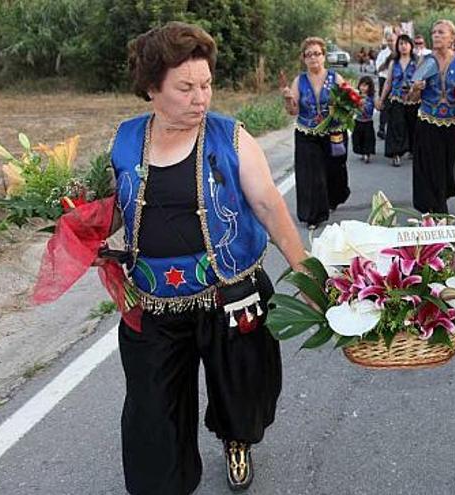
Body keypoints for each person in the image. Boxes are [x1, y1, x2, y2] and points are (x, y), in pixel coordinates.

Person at [110, 21, 308, 494]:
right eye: (186, 88)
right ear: (152, 88)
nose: (201, 98)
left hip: (231, 296)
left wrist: (306, 271)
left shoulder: (230, 137)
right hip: (151, 304)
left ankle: (236, 439)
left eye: (206, 85)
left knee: (242, 394)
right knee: (152, 416)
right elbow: (116, 208)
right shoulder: (124, 139)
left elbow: (268, 205)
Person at [282, 36, 351, 230]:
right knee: (311, 175)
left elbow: (349, 101)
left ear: (324, 56)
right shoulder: (300, 81)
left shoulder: (335, 78)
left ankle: (334, 197)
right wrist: (288, 99)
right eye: (309, 55)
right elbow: (293, 111)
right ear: (304, 58)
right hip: (307, 133)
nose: (313, 58)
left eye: (317, 54)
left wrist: (344, 107)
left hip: (333, 133)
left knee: (334, 171)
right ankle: (313, 215)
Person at [408, 19, 455, 214]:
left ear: (452, 37)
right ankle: (437, 210)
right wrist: (416, 89)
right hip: (429, 121)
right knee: (431, 167)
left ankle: (440, 202)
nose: (436, 35)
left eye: (441, 32)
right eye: (434, 32)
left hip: (453, 123)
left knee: (448, 167)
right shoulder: (425, 61)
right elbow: (411, 97)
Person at [377, 34, 419, 167]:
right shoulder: (393, 63)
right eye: (401, 44)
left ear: (411, 45)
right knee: (396, 124)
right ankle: (396, 153)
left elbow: (422, 80)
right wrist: (381, 99)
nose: (404, 46)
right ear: (397, 46)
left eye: (406, 43)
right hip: (396, 97)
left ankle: (413, 149)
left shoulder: (417, 62)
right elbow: (388, 82)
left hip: (413, 98)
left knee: (413, 125)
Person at [375, 34, 396, 139]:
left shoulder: (401, 52)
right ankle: (382, 128)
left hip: (396, 81)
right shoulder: (383, 54)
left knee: (395, 105)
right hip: (384, 79)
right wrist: (388, 61)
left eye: (392, 40)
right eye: (389, 41)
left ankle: (393, 129)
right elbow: (378, 69)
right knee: (384, 104)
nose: (391, 42)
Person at [352, 76, 377, 163]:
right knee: (358, 138)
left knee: (368, 139)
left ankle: (367, 154)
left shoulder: (371, 97)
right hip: (358, 121)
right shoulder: (356, 95)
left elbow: (371, 108)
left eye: (365, 86)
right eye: (361, 85)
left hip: (368, 121)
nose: (363, 88)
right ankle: (362, 152)